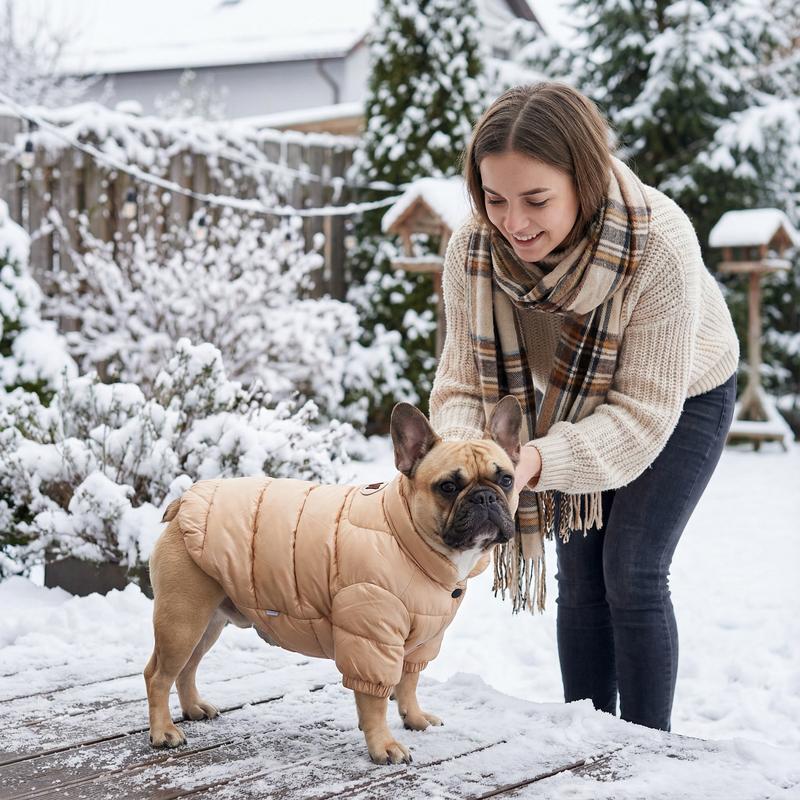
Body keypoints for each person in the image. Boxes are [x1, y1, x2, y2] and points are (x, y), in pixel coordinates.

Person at [428, 82, 739, 732]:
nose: (514, 222)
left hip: (683, 396)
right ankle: (588, 746)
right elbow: (459, 385)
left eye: (537, 199)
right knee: (582, 575)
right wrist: (467, 464)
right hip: (576, 397)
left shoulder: (658, 245)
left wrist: (538, 458)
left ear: (585, 182)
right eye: (495, 199)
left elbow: (641, 417)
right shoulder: (475, 251)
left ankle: (648, 758)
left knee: (630, 569)